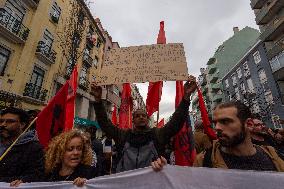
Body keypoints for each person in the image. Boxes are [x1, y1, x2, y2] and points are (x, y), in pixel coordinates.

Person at [91, 76, 197, 172]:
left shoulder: (157, 134)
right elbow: (105, 124)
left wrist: (186, 97)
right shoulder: (123, 135)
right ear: (133, 120)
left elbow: (176, 122)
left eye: (144, 116)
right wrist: (97, 101)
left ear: (147, 119)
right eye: (137, 116)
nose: (141, 117)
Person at [194, 101, 284, 171]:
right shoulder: (203, 162)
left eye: (225, 121)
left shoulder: (275, 156)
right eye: (215, 123)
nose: (217, 127)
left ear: (249, 124)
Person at [0, 107, 45, 186]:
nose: (3, 124)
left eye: (10, 121)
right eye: (1, 121)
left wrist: (21, 181)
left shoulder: (33, 148)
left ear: (22, 124)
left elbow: (35, 176)